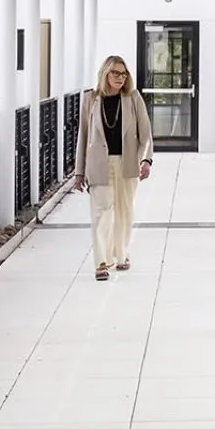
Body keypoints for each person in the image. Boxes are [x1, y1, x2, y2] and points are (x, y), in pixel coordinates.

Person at [74, 55, 153, 280]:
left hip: (128, 162)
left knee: (124, 212)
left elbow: (146, 133)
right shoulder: (90, 98)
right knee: (101, 212)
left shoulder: (133, 98)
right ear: (105, 74)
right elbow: (84, 136)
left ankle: (121, 254)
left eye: (123, 74)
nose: (120, 77)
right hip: (99, 164)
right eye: (115, 73)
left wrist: (146, 160)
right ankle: (101, 262)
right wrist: (79, 171)